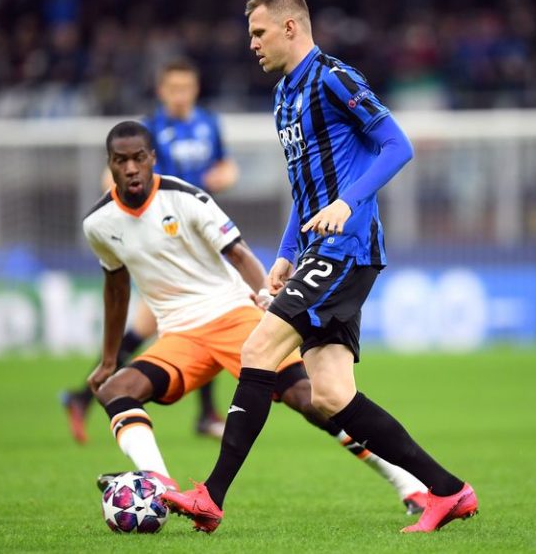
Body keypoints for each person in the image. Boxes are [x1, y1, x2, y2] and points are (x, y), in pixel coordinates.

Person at [162, 0, 478, 534]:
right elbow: (305, 188)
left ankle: (211, 497)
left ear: (290, 27)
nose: (252, 43)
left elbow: (398, 145)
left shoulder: (334, 78)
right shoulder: (283, 96)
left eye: (259, 32)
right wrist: (287, 254)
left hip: (347, 247)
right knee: (331, 394)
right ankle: (449, 491)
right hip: (318, 249)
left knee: (258, 347)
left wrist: (347, 202)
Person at [84, 120, 429, 515]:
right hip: (179, 335)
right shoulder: (98, 223)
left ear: (152, 159)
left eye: (138, 158)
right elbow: (116, 289)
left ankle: (410, 484)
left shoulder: (185, 198)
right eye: (121, 160)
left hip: (233, 314)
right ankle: (158, 485)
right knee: (116, 389)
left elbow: (239, 253)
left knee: (311, 398)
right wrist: (109, 359)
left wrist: (268, 300)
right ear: (109, 163)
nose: (131, 168)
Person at [61, 60, 239, 443]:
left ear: (195, 89)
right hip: (164, 241)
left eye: (186, 88)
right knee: (204, 315)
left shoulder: (209, 124)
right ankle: (204, 413)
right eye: (173, 88)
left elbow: (226, 166)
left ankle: (83, 396)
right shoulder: (148, 130)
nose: (180, 95)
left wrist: (225, 175)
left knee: (154, 328)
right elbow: (112, 176)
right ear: (161, 91)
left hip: (199, 234)